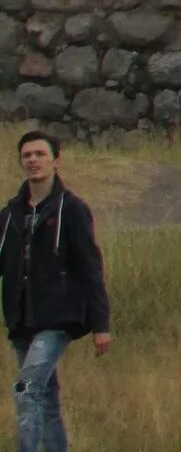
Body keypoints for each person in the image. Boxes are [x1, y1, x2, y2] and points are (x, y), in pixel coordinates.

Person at [1, 131, 111, 452]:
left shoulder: (72, 210)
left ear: (56, 160)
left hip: (58, 318)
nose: (33, 160)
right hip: (21, 319)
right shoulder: (9, 215)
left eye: (39, 154)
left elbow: (91, 269)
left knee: (26, 388)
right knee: (45, 397)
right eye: (26, 156)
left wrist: (101, 325)